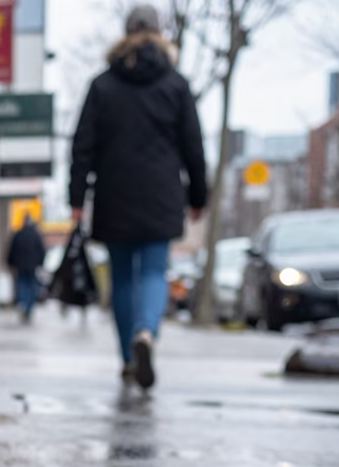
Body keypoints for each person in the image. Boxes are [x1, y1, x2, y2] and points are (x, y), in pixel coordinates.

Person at [69, 3, 207, 389]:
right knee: (152, 270)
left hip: (114, 193)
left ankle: (129, 358)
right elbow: (193, 146)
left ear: (125, 33)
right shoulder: (176, 85)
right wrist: (199, 195)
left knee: (124, 277)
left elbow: (82, 146)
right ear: (160, 34)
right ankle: (146, 332)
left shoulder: (102, 84)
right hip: (161, 193)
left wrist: (76, 198)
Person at [6, 214, 47, 324]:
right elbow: (42, 251)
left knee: (22, 285)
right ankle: (28, 308)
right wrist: (40, 263)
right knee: (31, 287)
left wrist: (10, 263)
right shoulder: (36, 235)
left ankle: (23, 304)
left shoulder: (18, 234)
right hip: (32, 267)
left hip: (20, 267)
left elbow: (11, 250)